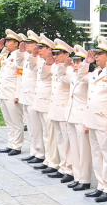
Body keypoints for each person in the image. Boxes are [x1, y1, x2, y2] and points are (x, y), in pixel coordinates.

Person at [82, 37, 107, 202]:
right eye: (96, 54)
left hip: (105, 121)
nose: (96, 57)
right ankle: (100, 186)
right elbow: (79, 79)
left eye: (99, 54)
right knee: (97, 155)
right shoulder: (94, 72)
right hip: (92, 119)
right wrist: (86, 63)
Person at [0, 29, 26, 156]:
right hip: (3, 92)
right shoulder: (6, 56)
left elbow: (20, 78)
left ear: (16, 43)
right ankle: (11, 144)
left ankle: (17, 146)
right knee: (9, 122)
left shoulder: (21, 56)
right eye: (6, 40)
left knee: (17, 122)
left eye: (9, 41)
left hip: (12, 94)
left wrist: (17, 95)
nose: (6, 43)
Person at [64, 45, 93, 191]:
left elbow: (90, 100)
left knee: (84, 151)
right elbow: (59, 75)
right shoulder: (74, 76)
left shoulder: (88, 77)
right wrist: (64, 64)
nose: (75, 65)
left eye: (78, 62)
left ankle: (85, 179)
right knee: (74, 149)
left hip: (82, 117)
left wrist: (88, 121)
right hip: (71, 116)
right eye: (74, 62)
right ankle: (77, 177)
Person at [32, 34, 61, 174]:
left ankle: (54, 162)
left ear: (49, 49)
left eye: (42, 48)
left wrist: (49, 63)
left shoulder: (55, 65)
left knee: (52, 135)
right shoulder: (44, 63)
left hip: (50, 104)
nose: (39, 51)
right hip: (42, 103)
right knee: (46, 134)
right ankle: (48, 160)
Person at [47, 39, 75, 182]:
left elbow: (70, 87)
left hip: (64, 111)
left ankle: (70, 170)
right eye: (55, 53)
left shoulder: (70, 70)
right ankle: (63, 167)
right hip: (55, 110)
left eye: (58, 54)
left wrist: (64, 67)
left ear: (67, 55)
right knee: (60, 141)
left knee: (67, 142)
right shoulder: (56, 68)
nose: (56, 56)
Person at [18, 30, 45, 164]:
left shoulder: (39, 59)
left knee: (36, 127)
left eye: (29, 43)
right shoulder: (27, 58)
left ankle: (40, 153)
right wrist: (21, 51)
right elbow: (18, 63)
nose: (27, 45)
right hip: (26, 97)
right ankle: (34, 151)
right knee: (31, 127)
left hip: (34, 97)